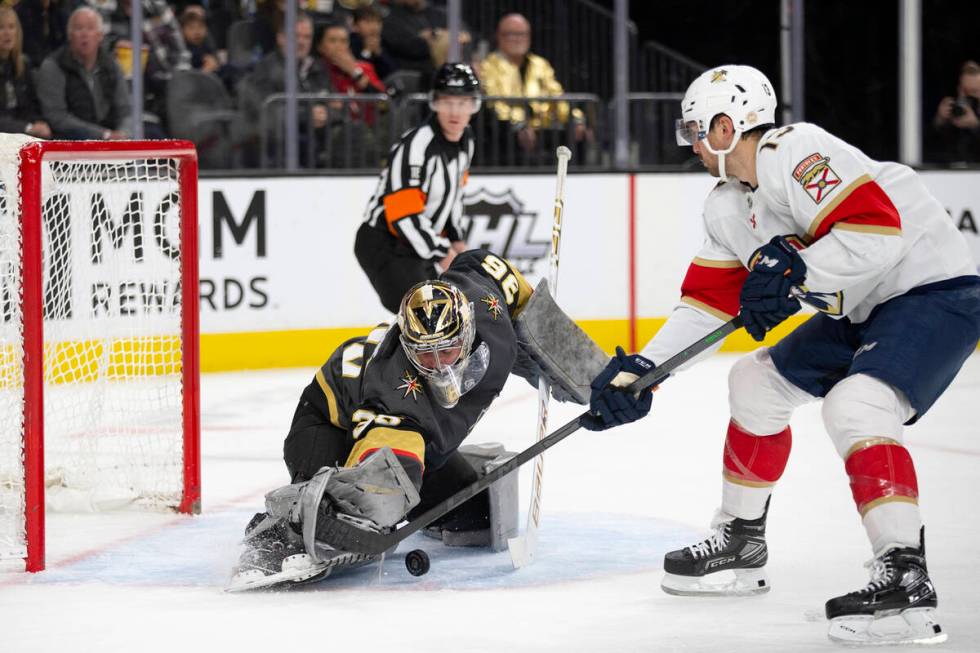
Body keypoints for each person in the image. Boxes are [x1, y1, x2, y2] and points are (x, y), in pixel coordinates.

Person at [642, 64, 979, 645]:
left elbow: (878, 231)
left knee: (858, 406)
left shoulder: (796, 152)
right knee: (754, 383)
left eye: (696, 129)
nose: (690, 142)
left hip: (934, 288)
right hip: (863, 307)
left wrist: (797, 268)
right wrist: (645, 372)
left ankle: (905, 576)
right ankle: (742, 541)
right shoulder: (727, 207)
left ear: (728, 127)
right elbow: (704, 306)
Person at [227, 248, 647, 591]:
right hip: (327, 424)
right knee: (367, 504)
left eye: (446, 350)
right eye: (424, 354)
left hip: (417, 436)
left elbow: (511, 289)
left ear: (467, 330)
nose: (437, 364)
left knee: (475, 517)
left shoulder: (488, 308)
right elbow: (386, 460)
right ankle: (275, 531)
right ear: (407, 345)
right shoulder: (398, 394)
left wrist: (597, 378)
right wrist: (365, 517)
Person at [354, 62, 478, 314]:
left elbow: (453, 197)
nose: (455, 111)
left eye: (463, 102)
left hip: (417, 245)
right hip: (385, 243)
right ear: (434, 102)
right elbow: (403, 215)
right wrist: (444, 254)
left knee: (445, 314)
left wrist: (458, 243)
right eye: (447, 101)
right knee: (425, 316)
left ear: (474, 105)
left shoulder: (466, 141)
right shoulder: (416, 146)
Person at [479, 13, 588, 164]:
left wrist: (575, 118)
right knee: (508, 133)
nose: (517, 39)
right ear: (499, 36)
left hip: (541, 127)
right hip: (507, 129)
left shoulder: (540, 64)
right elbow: (494, 103)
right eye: (511, 34)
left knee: (577, 132)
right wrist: (518, 125)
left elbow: (557, 95)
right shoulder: (488, 66)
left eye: (522, 34)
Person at [238, 12, 331, 166]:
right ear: (281, 38)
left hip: (319, 135)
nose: (302, 42)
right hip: (281, 141)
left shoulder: (317, 68)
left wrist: (327, 114)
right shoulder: (265, 70)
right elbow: (268, 112)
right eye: (296, 36)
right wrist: (307, 116)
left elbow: (337, 104)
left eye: (307, 37)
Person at [36, 7, 133, 140]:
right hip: (69, 142)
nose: (84, 34)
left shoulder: (111, 65)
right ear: (69, 35)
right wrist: (103, 135)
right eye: (79, 28)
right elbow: (56, 117)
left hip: (112, 140)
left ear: (100, 36)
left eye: (90, 28)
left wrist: (124, 134)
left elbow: (125, 110)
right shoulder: (53, 66)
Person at [382, 0, 470, 86]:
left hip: (448, 72)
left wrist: (435, 35)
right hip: (415, 73)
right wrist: (434, 39)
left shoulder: (439, 13)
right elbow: (410, 46)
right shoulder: (392, 20)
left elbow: (465, 35)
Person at [0, 6, 51, 139]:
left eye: (11, 27)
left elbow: (32, 105)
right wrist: (27, 127)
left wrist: (39, 122)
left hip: (24, 134)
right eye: (1, 28)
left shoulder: (23, 64)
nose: (7, 33)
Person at [932, 60, 980, 164]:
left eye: (975, 91)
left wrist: (976, 126)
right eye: (965, 91)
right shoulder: (953, 108)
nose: (969, 96)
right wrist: (940, 120)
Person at [350, 5, 395, 82]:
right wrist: (367, 52)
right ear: (355, 26)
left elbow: (393, 73)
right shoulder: (350, 42)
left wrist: (379, 53)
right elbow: (356, 71)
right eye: (368, 22)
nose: (374, 27)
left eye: (378, 22)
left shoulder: (384, 42)